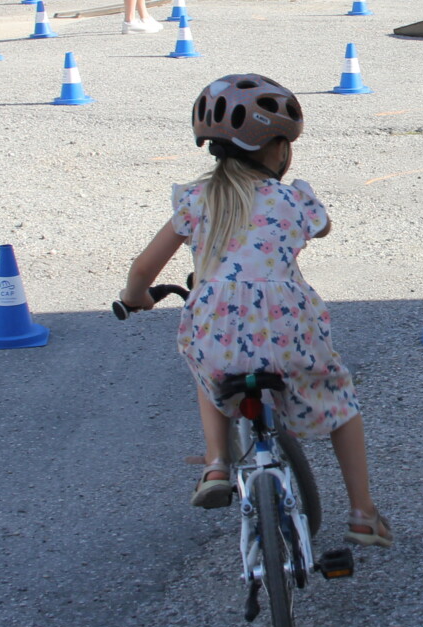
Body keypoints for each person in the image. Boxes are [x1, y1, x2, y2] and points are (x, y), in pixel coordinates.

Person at [117, 73, 392, 549]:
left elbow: (143, 270)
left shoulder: (195, 201)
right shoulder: (294, 201)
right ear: (278, 150)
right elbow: (321, 229)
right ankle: (363, 512)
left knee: (208, 371)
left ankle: (216, 463)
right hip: (289, 331)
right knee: (340, 401)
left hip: (216, 329)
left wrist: (136, 296)